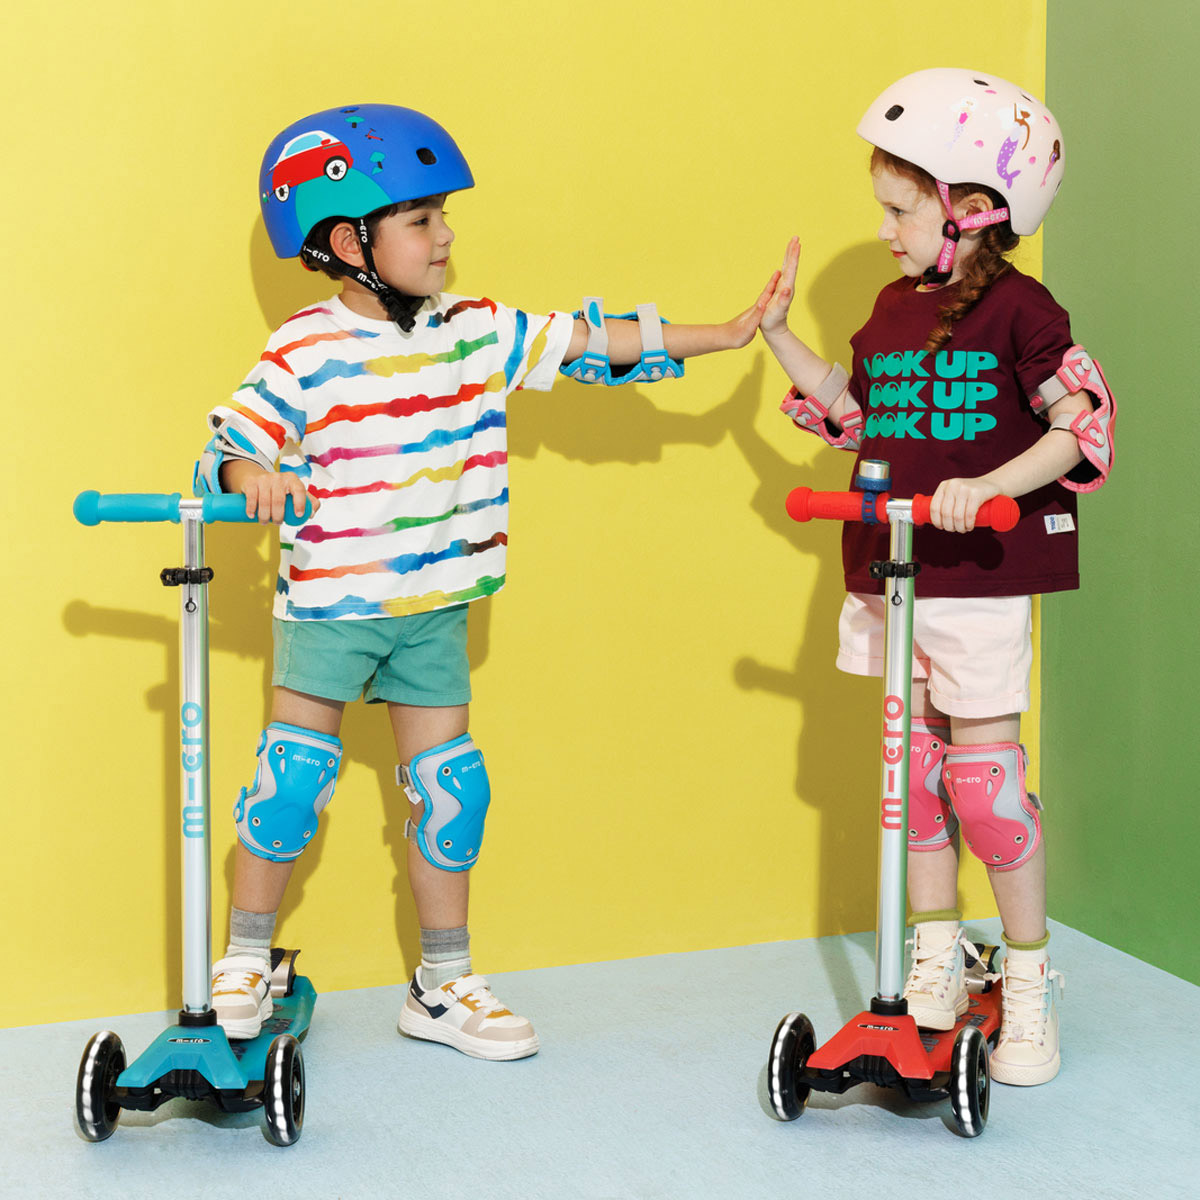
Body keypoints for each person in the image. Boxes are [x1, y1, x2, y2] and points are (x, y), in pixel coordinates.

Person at [196, 103, 775, 1061]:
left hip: (436, 608)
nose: (446, 235)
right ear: (347, 241)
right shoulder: (303, 347)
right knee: (290, 785)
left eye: (443, 216)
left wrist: (726, 332)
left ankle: (442, 984)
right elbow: (233, 440)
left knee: (452, 794)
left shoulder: (476, 330)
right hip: (334, 605)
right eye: (420, 219)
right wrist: (248, 473)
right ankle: (246, 959)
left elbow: (590, 342)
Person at [759, 69, 1115, 1086]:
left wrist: (989, 485)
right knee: (912, 785)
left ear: (974, 210)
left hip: (979, 580)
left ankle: (1030, 980)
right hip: (892, 574)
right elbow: (858, 416)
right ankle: (934, 964)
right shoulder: (890, 308)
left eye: (900, 211)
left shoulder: (1022, 310)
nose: (884, 231)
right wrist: (778, 335)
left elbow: (1079, 424)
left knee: (984, 790)